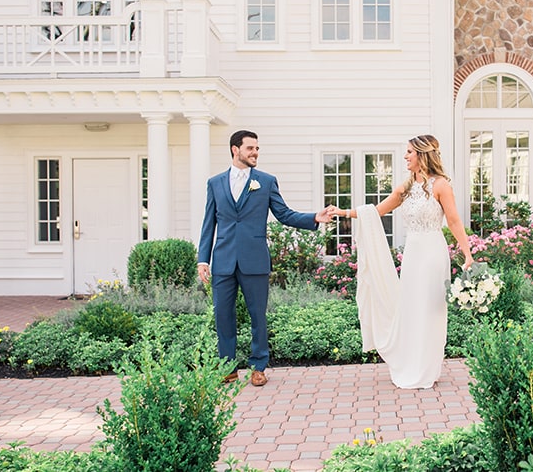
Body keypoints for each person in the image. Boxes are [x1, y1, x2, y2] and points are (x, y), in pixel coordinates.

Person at [197, 129, 334, 387]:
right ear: (235, 149)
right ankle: (227, 367)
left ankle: (258, 366)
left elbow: (284, 214)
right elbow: (208, 224)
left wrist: (314, 217)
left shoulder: (266, 181)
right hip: (223, 260)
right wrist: (203, 259)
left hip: (255, 259)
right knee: (223, 316)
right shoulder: (215, 183)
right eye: (250, 148)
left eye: (257, 149)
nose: (255, 153)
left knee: (257, 315)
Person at [336, 134, 473, 389]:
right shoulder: (406, 187)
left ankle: (427, 368)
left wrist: (467, 253)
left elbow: (453, 221)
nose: (405, 156)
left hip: (432, 254)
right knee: (411, 308)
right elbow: (376, 211)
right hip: (413, 254)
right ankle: (412, 363)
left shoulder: (441, 185)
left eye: (409, 152)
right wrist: (343, 212)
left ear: (422, 154)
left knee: (430, 309)